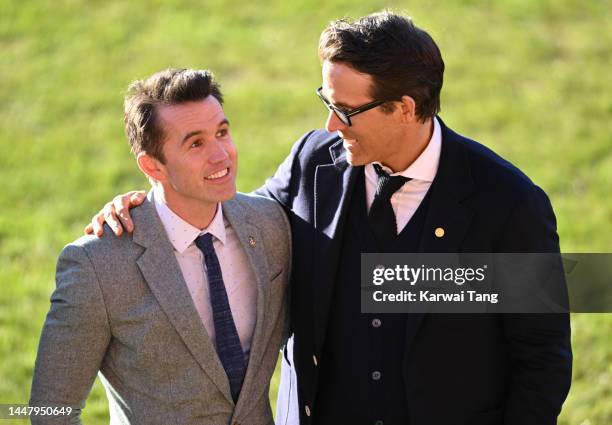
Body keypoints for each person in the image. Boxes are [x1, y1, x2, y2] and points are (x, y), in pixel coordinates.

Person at [88, 12, 572, 425]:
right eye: (327, 102)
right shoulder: (313, 159)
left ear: (404, 108)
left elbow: (542, 359)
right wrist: (156, 202)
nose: (330, 125)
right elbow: (235, 225)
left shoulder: (509, 203)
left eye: (345, 110)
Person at [30, 68, 291, 425]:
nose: (221, 155)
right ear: (153, 166)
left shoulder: (270, 225)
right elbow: (49, 411)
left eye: (222, 132)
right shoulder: (97, 265)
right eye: (196, 143)